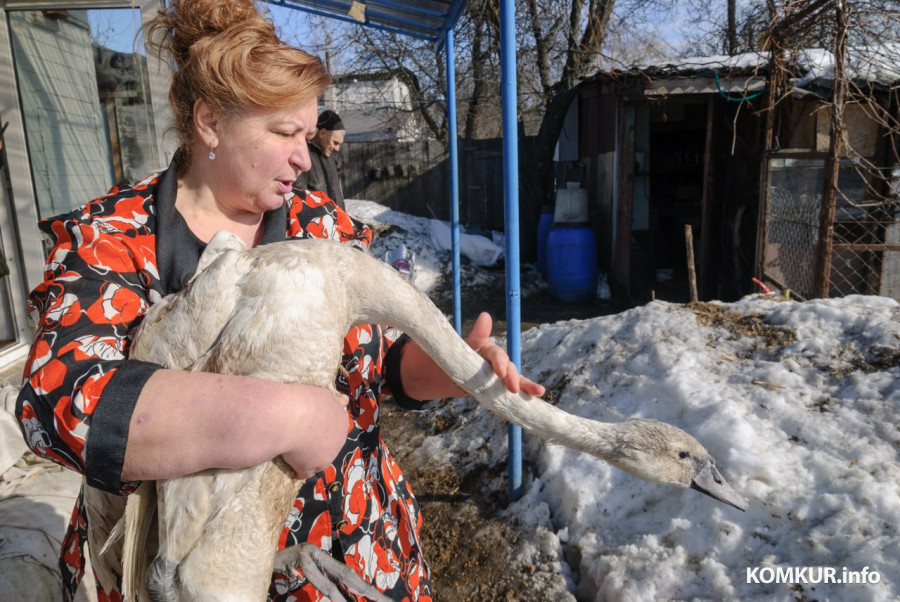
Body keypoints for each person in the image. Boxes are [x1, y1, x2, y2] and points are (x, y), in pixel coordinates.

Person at [13, 1, 543, 601]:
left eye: (308, 135)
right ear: (211, 122)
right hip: (180, 569)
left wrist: (449, 369)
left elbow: (377, 369)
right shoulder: (114, 238)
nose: (303, 155)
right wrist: (288, 417)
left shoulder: (324, 226)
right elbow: (58, 402)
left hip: (349, 542)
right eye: (284, 133)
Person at [293, 109, 346, 209]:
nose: (337, 148)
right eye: (335, 142)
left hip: (336, 221)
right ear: (322, 133)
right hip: (317, 223)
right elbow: (300, 201)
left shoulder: (330, 158)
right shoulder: (304, 157)